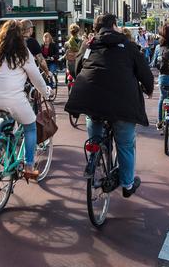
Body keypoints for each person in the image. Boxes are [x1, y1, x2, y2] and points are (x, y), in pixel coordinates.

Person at [65, 14, 154, 198]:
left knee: (94, 119)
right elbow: (144, 72)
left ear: (96, 29)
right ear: (114, 26)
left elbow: (75, 69)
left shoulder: (88, 45)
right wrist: (149, 88)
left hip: (91, 99)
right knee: (126, 144)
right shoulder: (128, 46)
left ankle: (95, 151)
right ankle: (127, 185)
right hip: (123, 103)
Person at [0, 20, 50, 180]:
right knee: (30, 126)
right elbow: (36, 78)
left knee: (4, 117)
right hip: (12, 98)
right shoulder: (23, 52)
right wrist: (45, 92)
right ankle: (29, 165)